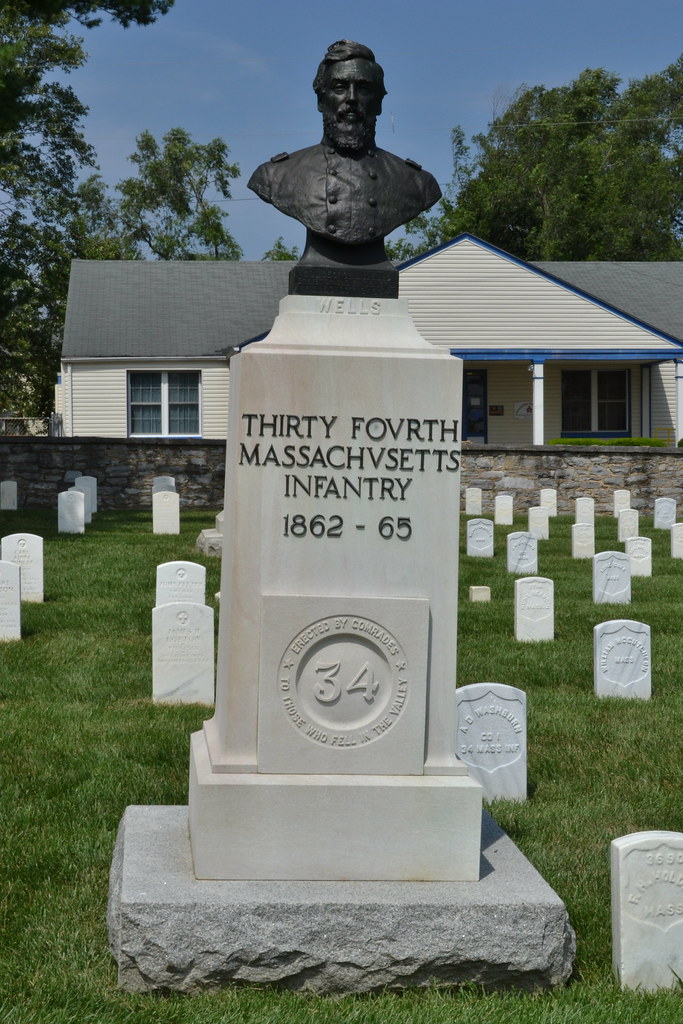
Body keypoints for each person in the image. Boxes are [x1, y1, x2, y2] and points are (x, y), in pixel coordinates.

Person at [248, 40, 441, 256]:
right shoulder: (276, 175)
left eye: (363, 89)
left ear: (378, 103)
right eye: (339, 87)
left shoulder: (417, 183)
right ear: (321, 100)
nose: (351, 98)